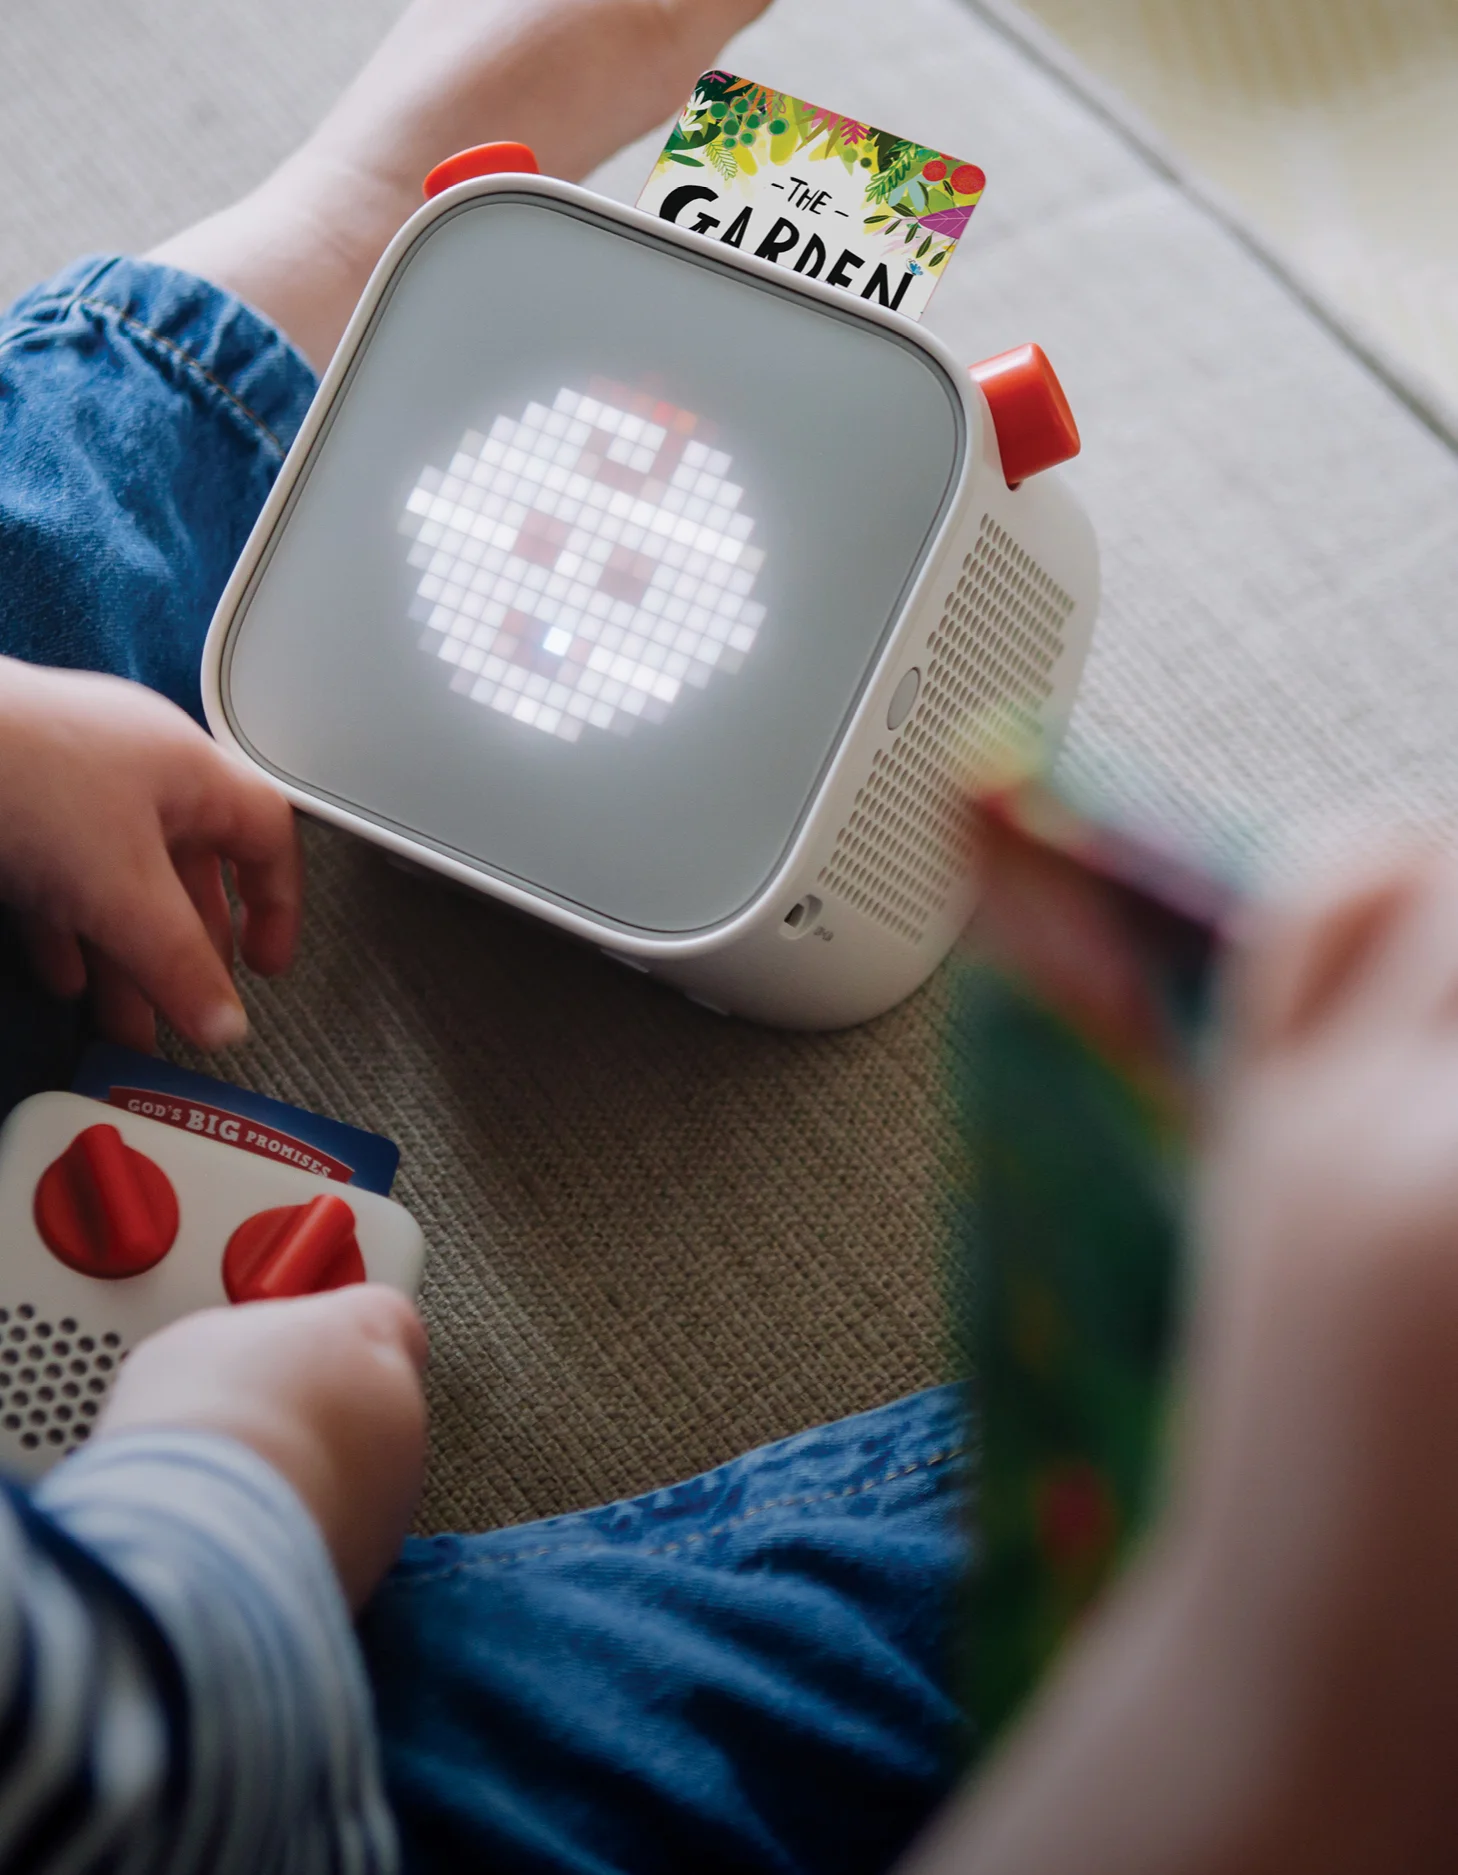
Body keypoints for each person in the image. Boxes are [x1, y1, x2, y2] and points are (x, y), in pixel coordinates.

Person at [3, 4, 1457, 1874]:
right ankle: (1259, 1515)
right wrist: (246, 1486)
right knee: (729, 1689)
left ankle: (353, 238)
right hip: (187, 1733)